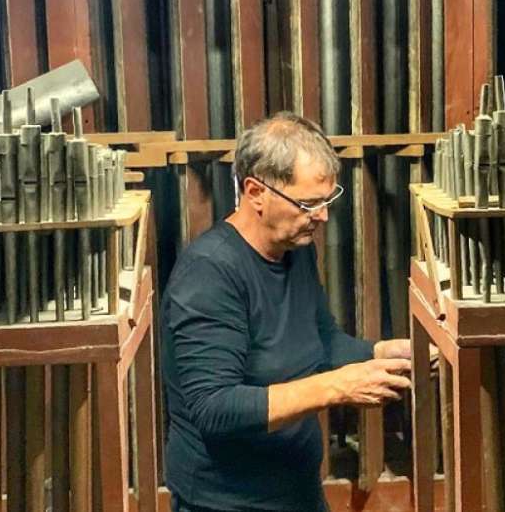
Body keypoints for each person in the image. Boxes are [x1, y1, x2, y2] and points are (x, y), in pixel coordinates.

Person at [161, 112, 413, 511]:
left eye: (328, 201)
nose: (323, 216)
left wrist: (382, 354)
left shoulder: (294, 251)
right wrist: (337, 387)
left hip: (297, 489)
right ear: (255, 192)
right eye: (308, 204)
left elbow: (321, 341)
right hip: (227, 502)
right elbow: (214, 407)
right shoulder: (208, 274)